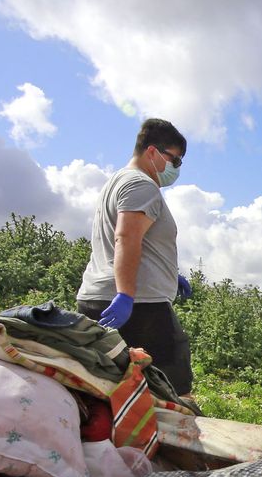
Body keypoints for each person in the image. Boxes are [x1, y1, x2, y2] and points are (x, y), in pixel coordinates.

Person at [76, 118, 194, 395]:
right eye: (174, 160)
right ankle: (182, 435)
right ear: (152, 152)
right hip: (140, 305)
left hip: (98, 296)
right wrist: (126, 294)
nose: (176, 168)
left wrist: (168, 274)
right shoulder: (142, 185)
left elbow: (136, 239)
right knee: (174, 389)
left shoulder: (116, 182)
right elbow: (126, 237)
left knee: (114, 388)